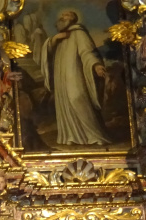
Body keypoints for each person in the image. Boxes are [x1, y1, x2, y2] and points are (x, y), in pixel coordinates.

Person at [40, 11, 111, 146]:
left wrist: (95, 65)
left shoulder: (79, 33)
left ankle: (94, 135)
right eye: (61, 16)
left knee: (77, 98)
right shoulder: (58, 37)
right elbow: (47, 53)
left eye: (66, 16)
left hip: (75, 74)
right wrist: (54, 39)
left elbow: (87, 52)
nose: (62, 17)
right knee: (64, 103)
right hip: (61, 76)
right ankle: (70, 136)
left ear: (72, 19)